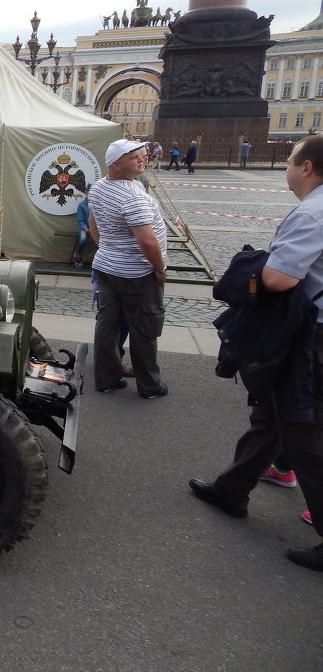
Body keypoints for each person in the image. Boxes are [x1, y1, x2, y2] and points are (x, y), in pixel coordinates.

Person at [189, 134, 323, 572]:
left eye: (289, 160)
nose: (286, 166)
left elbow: (280, 279)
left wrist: (249, 272)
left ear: (306, 168)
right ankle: (232, 488)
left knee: (304, 434)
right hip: (309, 333)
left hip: (309, 338)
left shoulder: (312, 213)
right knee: (272, 417)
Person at [88, 138, 169, 399]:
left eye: (144, 155)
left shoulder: (99, 187)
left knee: (107, 324)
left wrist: (106, 248)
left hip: (107, 267)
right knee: (144, 328)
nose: (143, 160)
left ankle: (107, 378)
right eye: (135, 157)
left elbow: (93, 222)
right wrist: (160, 268)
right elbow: (147, 240)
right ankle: (150, 386)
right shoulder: (133, 196)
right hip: (138, 273)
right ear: (116, 164)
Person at [73, 182, 91, 268]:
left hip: (96, 229)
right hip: (84, 228)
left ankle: (102, 260)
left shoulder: (99, 205)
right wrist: (85, 228)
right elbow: (80, 221)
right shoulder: (81, 205)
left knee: (103, 240)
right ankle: (78, 255)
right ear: (85, 192)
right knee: (83, 238)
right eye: (89, 192)